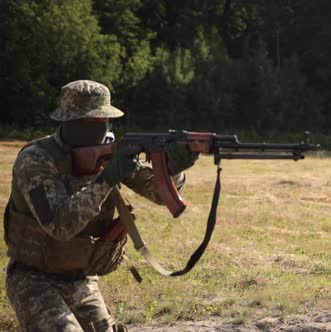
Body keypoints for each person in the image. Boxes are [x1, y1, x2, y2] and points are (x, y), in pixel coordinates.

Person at [3, 80, 198, 331]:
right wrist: (106, 180)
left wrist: (173, 169)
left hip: (81, 279)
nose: (98, 126)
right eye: (90, 120)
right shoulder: (36, 160)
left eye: (102, 119)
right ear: (68, 121)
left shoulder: (107, 153)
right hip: (33, 279)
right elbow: (60, 226)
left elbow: (158, 193)